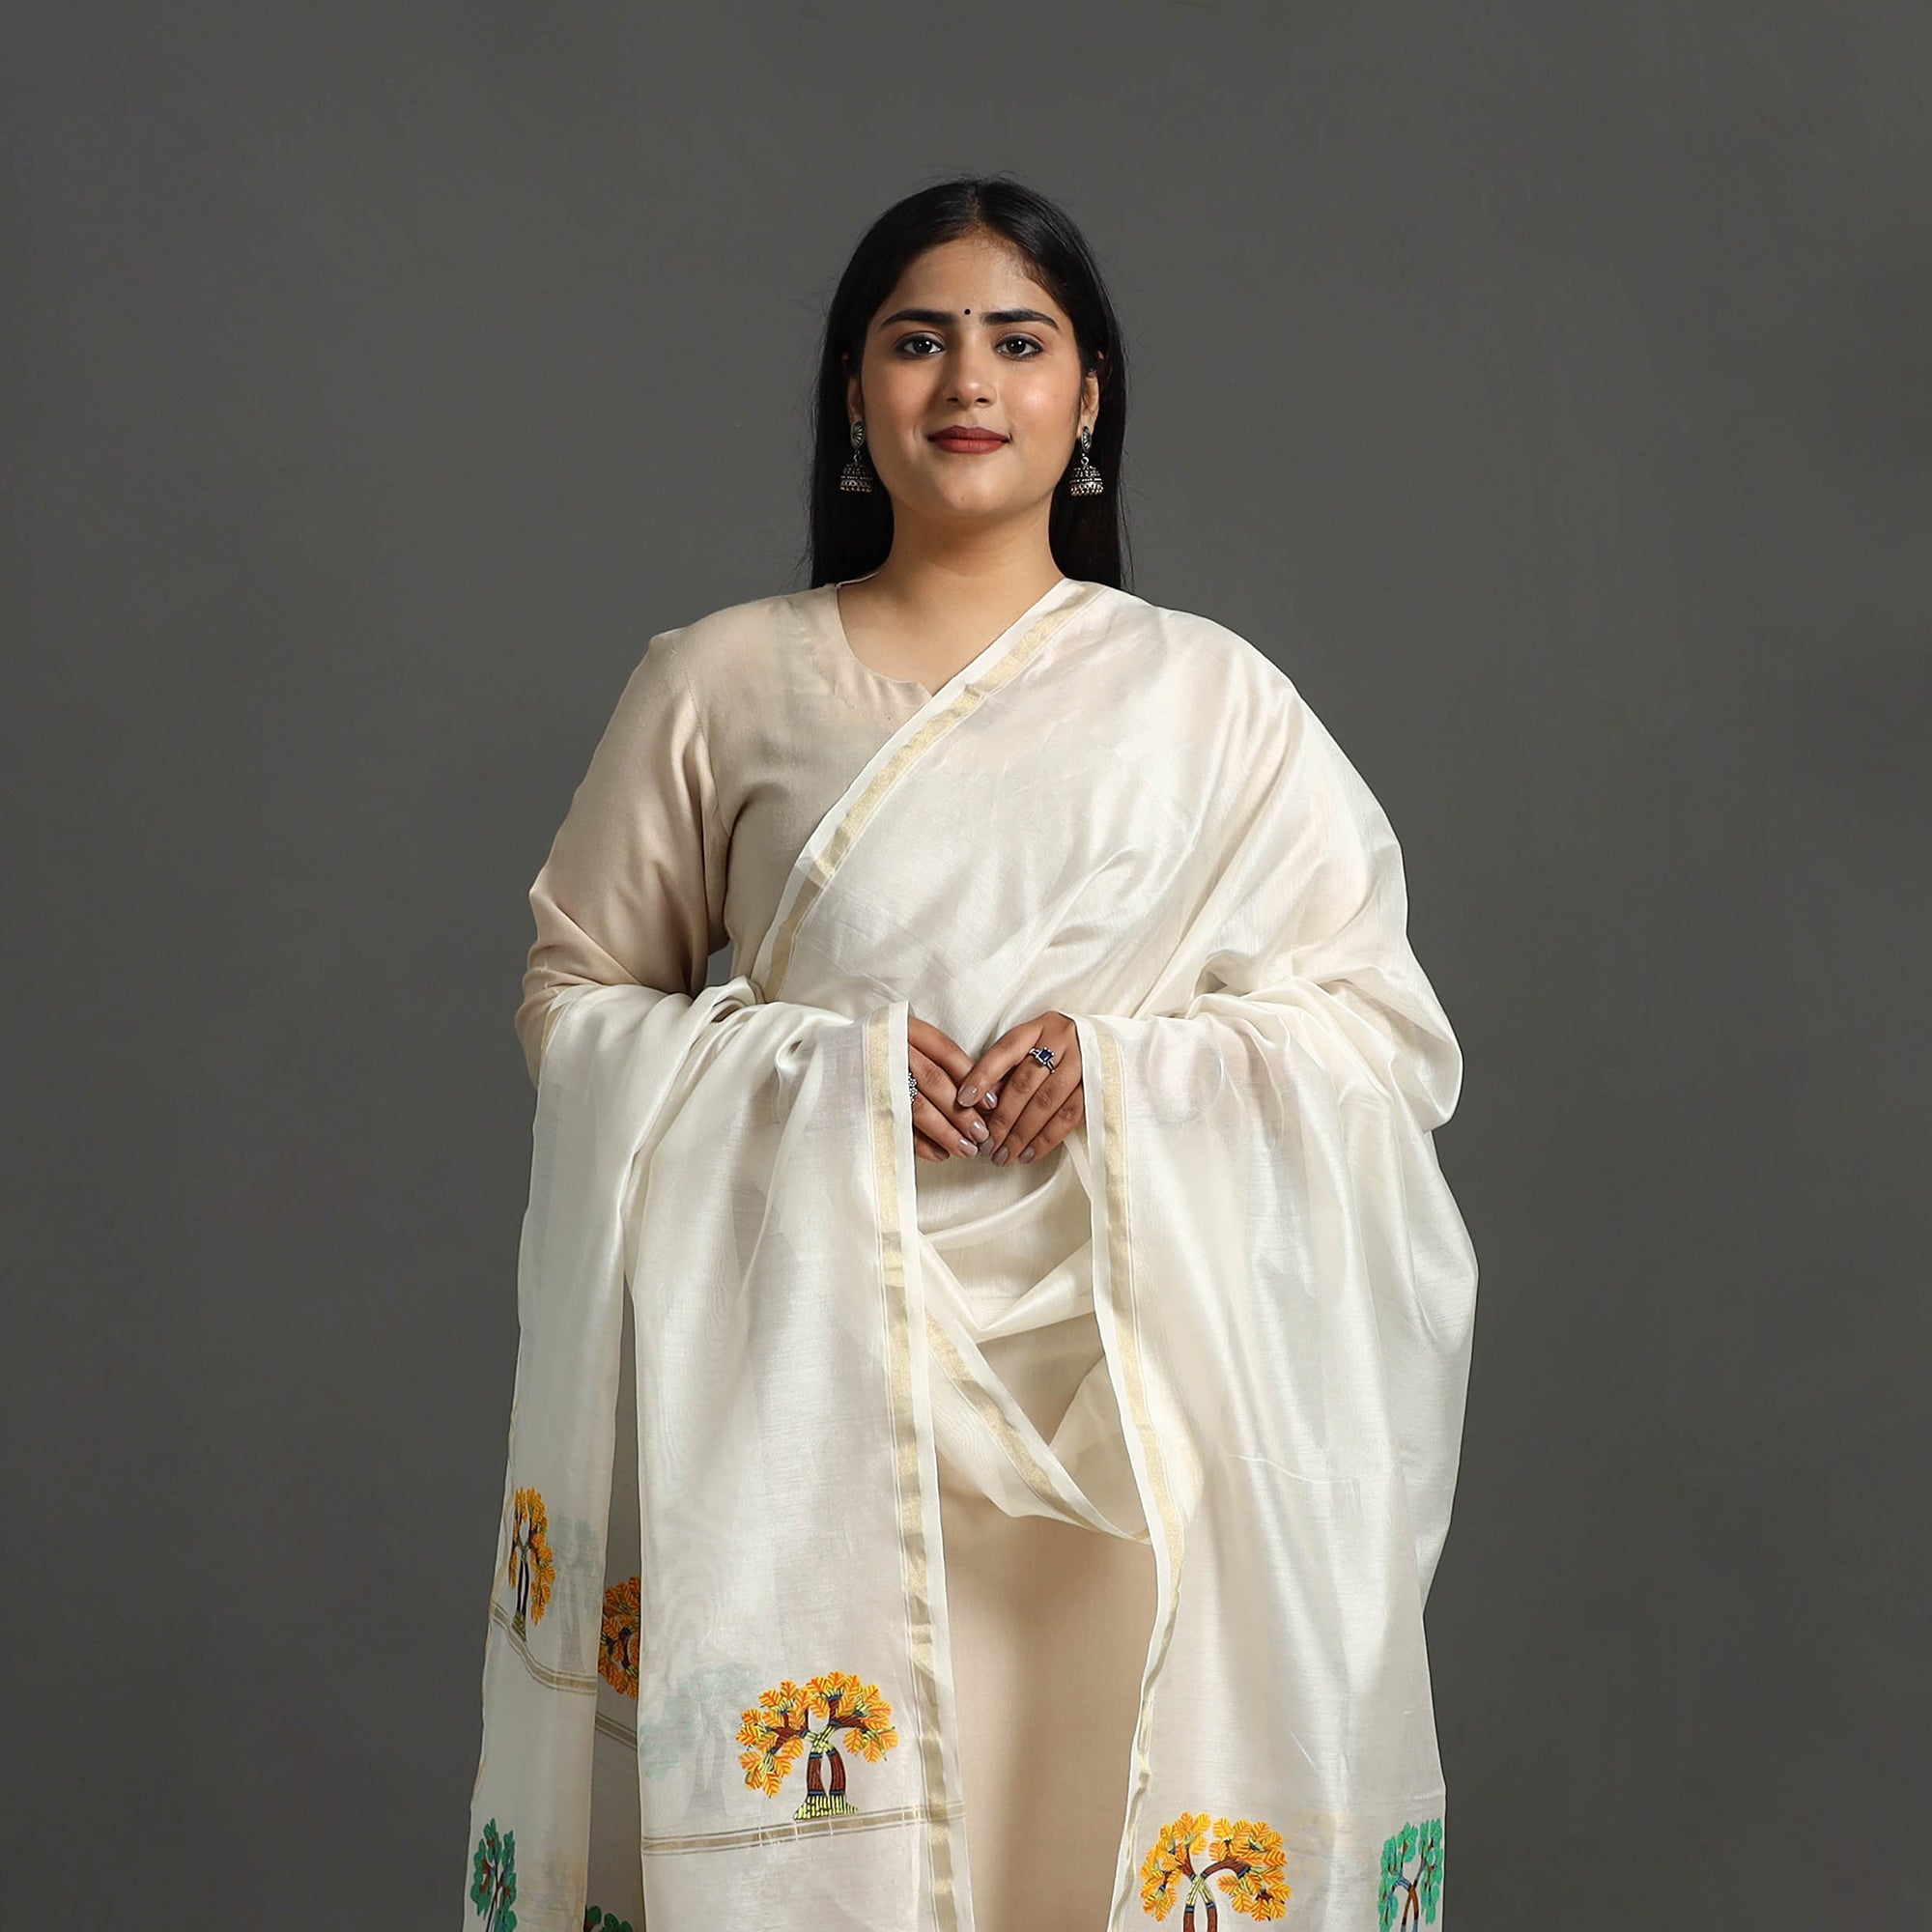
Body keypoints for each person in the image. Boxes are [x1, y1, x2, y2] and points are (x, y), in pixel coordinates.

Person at [469, 175, 1477, 1932]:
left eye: (1019, 342)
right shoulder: (721, 683)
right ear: (854, 393)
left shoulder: (1212, 703)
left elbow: (1378, 1036)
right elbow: (578, 999)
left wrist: (1131, 1074)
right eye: (917, 342)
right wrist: (819, 1078)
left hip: (1132, 1421)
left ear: (1089, 398)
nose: (968, 384)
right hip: (805, 1405)